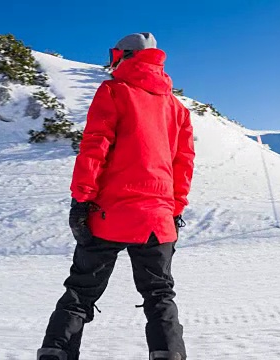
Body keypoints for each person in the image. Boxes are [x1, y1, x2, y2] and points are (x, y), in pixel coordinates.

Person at [37, 32, 195, 360]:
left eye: (113, 55)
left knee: (80, 293)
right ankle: (168, 354)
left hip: (107, 215)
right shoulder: (178, 109)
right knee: (160, 295)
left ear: (124, 56)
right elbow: (184, 164)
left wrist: (80, 200)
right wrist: (174, 209)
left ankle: (57, 353)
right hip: (157, 220)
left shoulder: (113, 91)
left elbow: (95, 146)